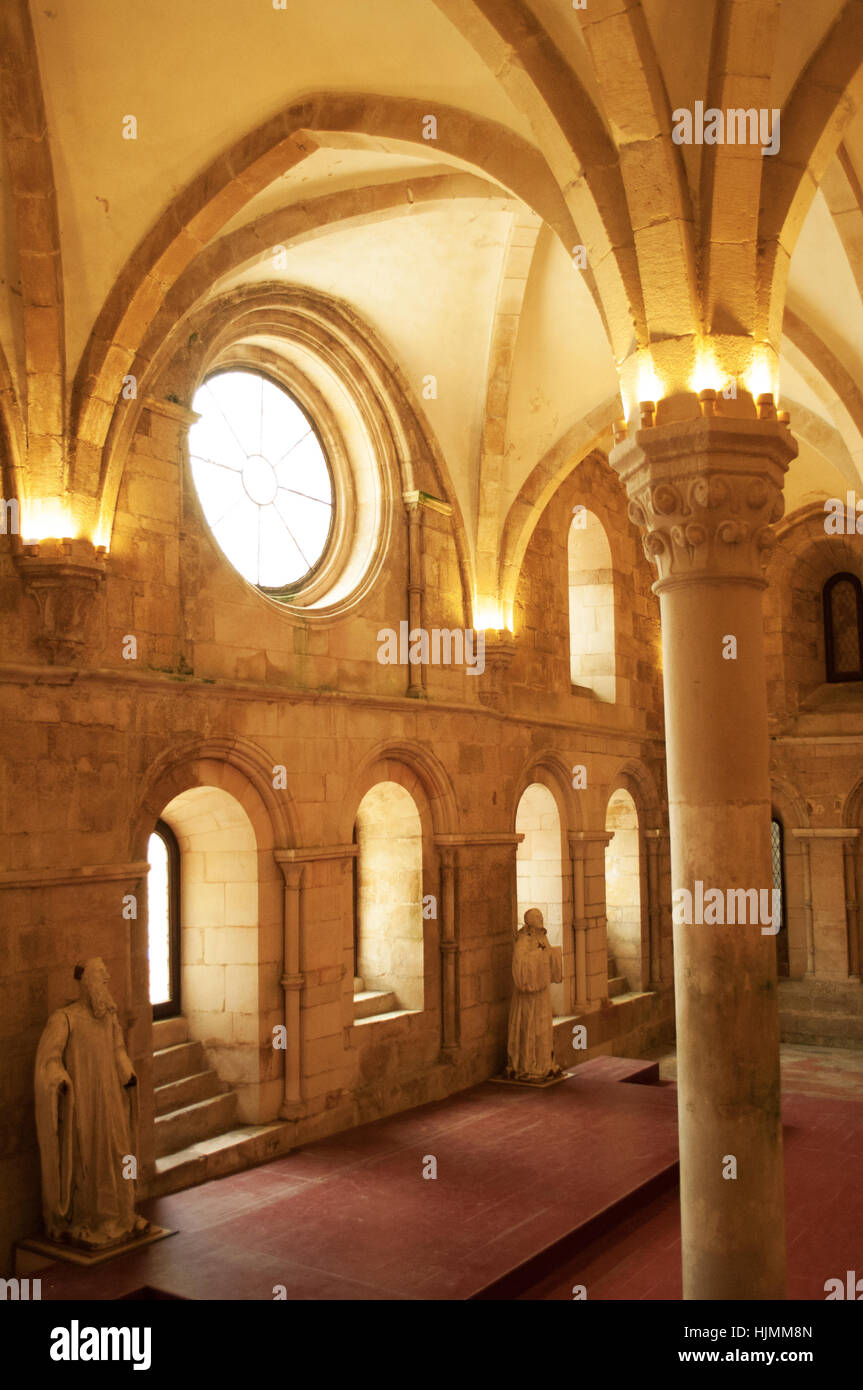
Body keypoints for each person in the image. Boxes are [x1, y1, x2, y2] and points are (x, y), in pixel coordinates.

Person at [34, 958, 148, 1248]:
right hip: (83, 1101)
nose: (107, 981)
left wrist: (128, 1074)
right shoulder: (65, 1019)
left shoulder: (108, 1018)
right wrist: (58, 1079)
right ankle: (89, 1220)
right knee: (90, 1159)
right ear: (88, 983)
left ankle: (124, 1213)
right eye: (102, 977)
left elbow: (119, 1051)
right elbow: (49, 1060)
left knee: (119, 1151)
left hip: (110, 1096)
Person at [506, 908, 563, 1081]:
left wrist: (552, 955)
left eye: (541, 916)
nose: (541, 918)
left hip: (541, 992)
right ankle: (527, 1063)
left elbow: (546, 952)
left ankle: (543, 1061)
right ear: (530, 920)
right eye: (537, 917)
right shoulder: (523, 940)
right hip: (528, 996)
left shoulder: (541, 937)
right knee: (529, 1026)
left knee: (542, 1026)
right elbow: (519, 966)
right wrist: (539, 955)